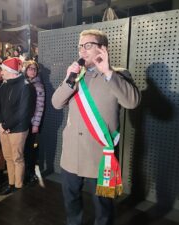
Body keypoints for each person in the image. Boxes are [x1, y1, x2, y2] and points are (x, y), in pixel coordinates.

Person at [52, 29, 141, 225]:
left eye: (88, 45)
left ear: (103, 49)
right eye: (80, 46)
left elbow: (132, 102)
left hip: (100, 157)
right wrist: (69, 78)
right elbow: (56, 103)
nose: (82, 51)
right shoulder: (76, 76)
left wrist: (107, 71)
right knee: (71, 201)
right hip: (71, 156)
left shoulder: (118, 74)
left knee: (104, 206)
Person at [0, 57, 36, 195]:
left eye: (3, 70)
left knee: (17, 158)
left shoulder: (26, 86)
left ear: (11, 71)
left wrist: (6, 125)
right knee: (8, 157)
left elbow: (24, 112)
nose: (1, 72)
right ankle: (11, 183)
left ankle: (18, 186)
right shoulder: (4, 85)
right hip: (4, 128)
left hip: (18, 129)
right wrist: (0, 124)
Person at [24, 60, 45, 184]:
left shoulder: (38, 85)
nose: (32, 71)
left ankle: (30, 174)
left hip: (31, 123)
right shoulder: (23, 83)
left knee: (29, 150)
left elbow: (40, 107)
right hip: (22, 122)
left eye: (34, 69)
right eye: (30, 68)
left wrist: (36, 124)